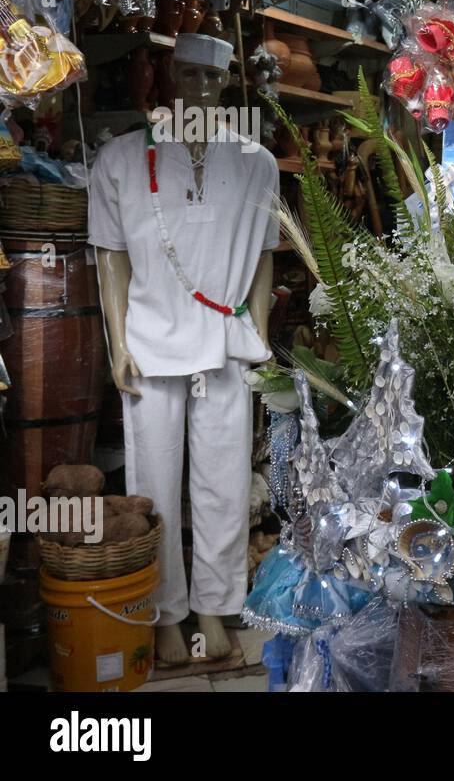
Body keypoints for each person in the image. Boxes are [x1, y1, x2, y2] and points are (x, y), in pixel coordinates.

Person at [89, 33, 279, 666]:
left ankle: (213, 609)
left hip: (225, 345)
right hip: (148, 341)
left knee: (225, 482)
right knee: (153, 481)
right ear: (171, 74)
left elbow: (262, 260)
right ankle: (164, 613)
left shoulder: (256, 161)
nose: (198, 87)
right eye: (188, 74)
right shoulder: (118, 159)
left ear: (225, 84)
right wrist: (118, 342)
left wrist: (260, 338)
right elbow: (110, 258)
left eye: (210, 78)